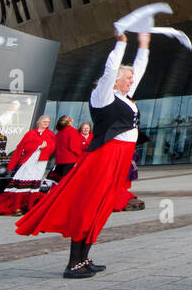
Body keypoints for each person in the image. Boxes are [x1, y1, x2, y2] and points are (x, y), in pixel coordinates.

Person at [15, 30, 150, 277]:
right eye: (128, 78)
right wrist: (121, 44)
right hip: (105, 156)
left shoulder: (125, 96)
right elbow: (110, 72)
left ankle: (83, 259)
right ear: (117, 79)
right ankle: (73, 263)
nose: (132, 81)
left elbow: (138, 71)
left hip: (120, 157)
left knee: (102, 206)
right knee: (89, 205)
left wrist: (144, 46)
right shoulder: (102, 96)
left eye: (132, 78)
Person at [50, 115, 84, 182]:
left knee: (57, 181)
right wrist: (81, 155)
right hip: (70, 160)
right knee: (66, 181)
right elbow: (74, 147)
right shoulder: (72, 131)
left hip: (60, 159)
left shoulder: (59, 132)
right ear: (70, 121)